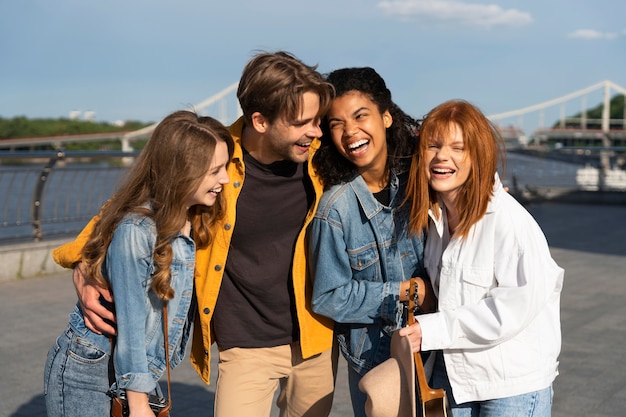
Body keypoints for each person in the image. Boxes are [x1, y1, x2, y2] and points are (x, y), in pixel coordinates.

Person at [51, 51, 337, 417]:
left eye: (318, 120)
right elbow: (124, 209)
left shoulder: (321, 159)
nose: (316, 131)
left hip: (315, 338)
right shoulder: (214, 157)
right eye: (303, 122)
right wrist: (84, 263)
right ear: (261, 121)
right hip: (244, 345)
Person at [44, 110, 233, 417]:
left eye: (225, 167)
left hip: (132, 371)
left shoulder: (191, 216)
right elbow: (132, 325)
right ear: (180, 172)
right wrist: (138, 403)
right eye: (215, 171)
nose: (225, 179)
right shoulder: (137, 230)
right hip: (91, 368)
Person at [399, 99, 564, 417]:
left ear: (479, 157)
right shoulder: (437, 221)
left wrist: (430, 330)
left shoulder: (508, 221)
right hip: (457, 380)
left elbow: (512, 308)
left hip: (510, 386)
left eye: (458, 148)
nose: (442, 156)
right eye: (433, 146)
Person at [308, 67, 436, 417]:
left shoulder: (421, 181)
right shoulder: (335, 209)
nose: (350, 132)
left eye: (360, 115)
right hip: (376, 358)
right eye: (336, 123)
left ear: (387, 116)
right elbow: (328, 296)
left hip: (439, 347)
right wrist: (407, 291)